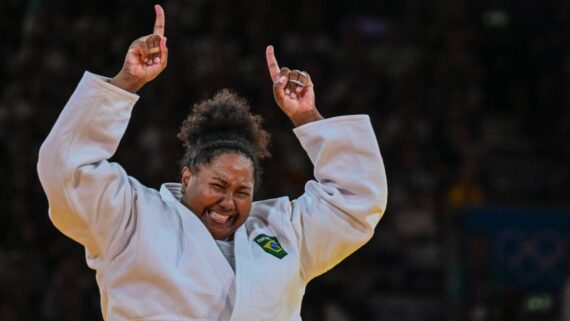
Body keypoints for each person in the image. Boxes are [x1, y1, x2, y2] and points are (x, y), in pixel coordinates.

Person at [37, 5, 387, 321]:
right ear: (187, 177)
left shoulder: (280, 231)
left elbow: (357, 201)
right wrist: (127, 82)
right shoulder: (133, 217)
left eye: (242, 191)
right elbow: (67, 170)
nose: (228, 202)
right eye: (218, 186)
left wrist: (308, 116)